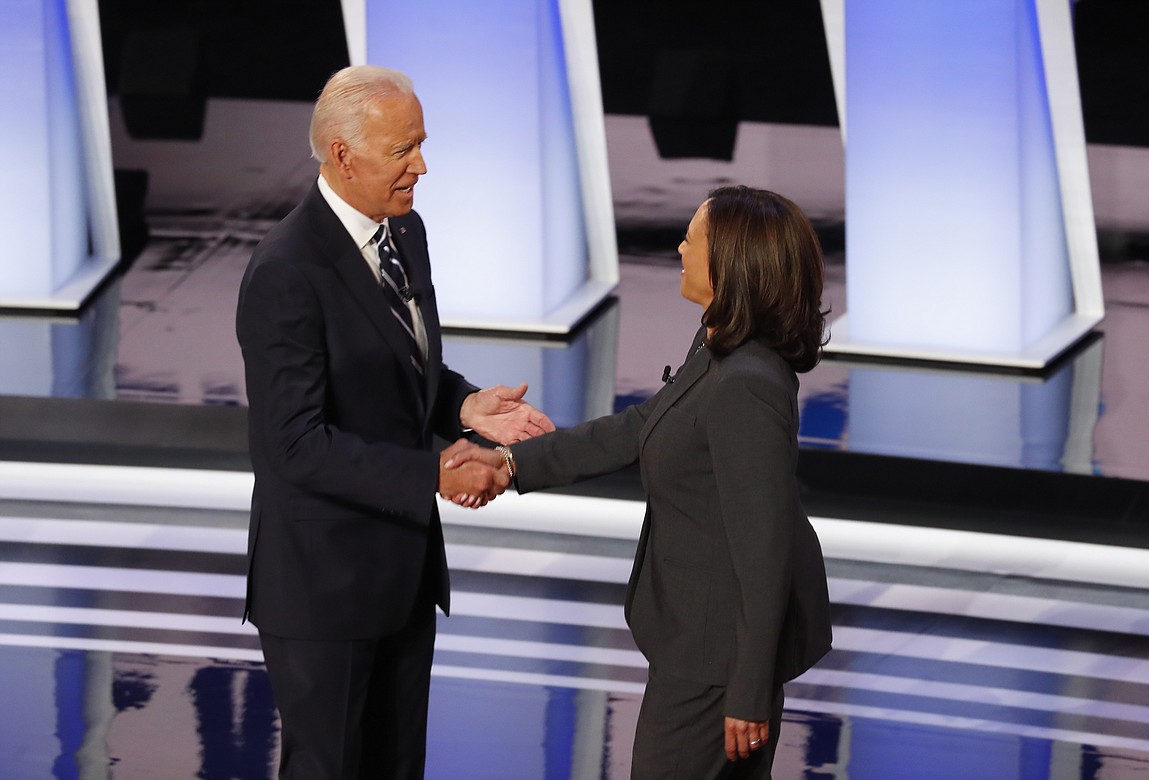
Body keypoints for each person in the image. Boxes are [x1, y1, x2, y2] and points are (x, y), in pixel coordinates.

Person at [235, 65, 553, 779]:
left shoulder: (404, 232)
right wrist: (433, 471)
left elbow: (398, 368)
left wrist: (464, 405)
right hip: (324, 590)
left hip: (402, 573)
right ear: (344, 155)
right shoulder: (286, 270)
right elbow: (290, 445)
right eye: (403, 149)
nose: (422, 165)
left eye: (422, 143)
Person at [459, 185, 833, 778]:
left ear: (732, 264)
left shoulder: (747, 384)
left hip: (716, 664)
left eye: (694, 239)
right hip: (695, 648)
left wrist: (748, 689)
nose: (680, 248)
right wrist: (511, 464)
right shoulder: (718, 347)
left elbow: (763, 551)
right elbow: (642, 426)